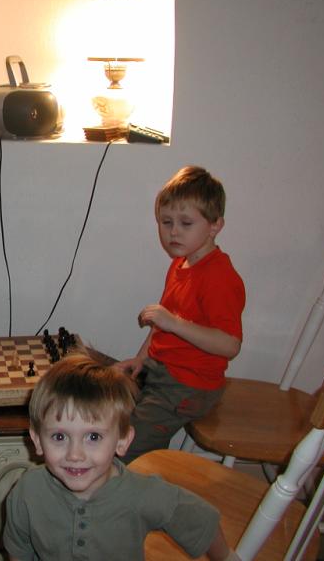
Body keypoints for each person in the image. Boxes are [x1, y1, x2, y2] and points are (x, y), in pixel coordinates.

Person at [3, 357, 239, 561]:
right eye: (59, 436)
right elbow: (19, 551)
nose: (75, 455)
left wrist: (227, 557)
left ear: (123, 440)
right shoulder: (27, 491)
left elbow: (202, 521)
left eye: (93, 437)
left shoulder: (144, 495)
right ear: (37, 440)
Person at [115, 165, 245, 462]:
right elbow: (160, 327)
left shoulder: (219, 278)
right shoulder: (181, 263)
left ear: (215, 225)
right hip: (160, 369)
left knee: (124, 444)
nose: (173, 232)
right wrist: (141, 358)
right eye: (166, 222)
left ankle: (142, 477)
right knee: (100, 396)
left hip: (189, 385)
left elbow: (230, 345)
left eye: (186, 223)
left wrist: (174, 323)